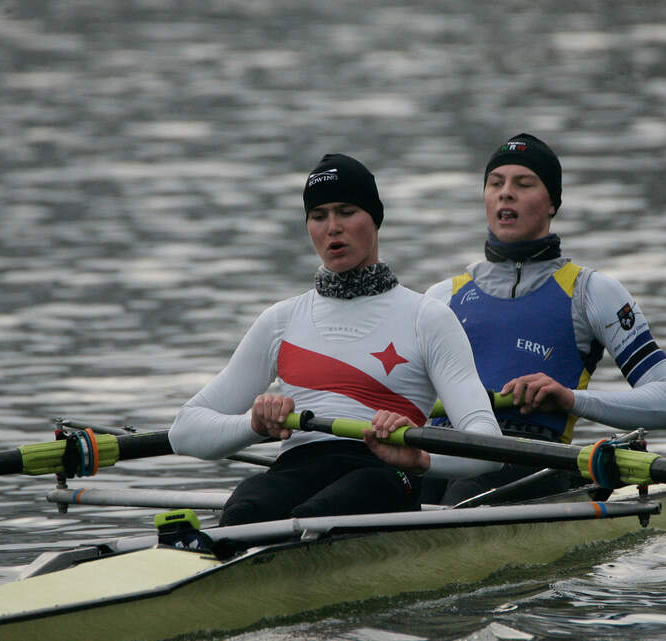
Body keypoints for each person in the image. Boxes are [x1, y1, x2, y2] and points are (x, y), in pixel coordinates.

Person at [170, 153, 502, 526]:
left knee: (322, 515)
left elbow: (487, 444)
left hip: (385, 472)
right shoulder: (281, 320)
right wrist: (254, 425)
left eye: (346, 211)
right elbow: (185, 431)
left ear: (374, 219)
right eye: (319, 215)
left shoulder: (426, 317)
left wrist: (420, 458)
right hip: (298, 466)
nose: (332, 227)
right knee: (246, 507)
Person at [424, 133, 666, 505]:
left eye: (524, 183)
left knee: (464, 494)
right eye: (495, 183)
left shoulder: (591, 292)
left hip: (529, 457)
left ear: (553, 203)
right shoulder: (442, 297)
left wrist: (570, 400)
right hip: (437, 447)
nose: (506, 193)